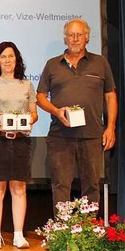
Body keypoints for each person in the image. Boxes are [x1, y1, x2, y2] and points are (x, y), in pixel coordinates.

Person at [36, 18, 117, 206]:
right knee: (60, 185)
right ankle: (62, 231)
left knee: (91, 186)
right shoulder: (52, 64)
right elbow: (40, 97)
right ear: (65, 39)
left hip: (92, 136)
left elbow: (110, 96)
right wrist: (56, 111)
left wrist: (110, 127)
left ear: (87, 38)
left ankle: (88, 230)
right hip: (60, 136)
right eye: (70, 35)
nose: (74, 39)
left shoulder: (100, 63)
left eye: (79, 35)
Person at [0, 41, 38, 249]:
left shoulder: (27, 85)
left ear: (17, 59)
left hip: (20, 141)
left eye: (11, 56)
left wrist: (28, 119)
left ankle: (19, 234)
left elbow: (34, 114)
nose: (8, 60)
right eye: (3, 57)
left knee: (19, 188)